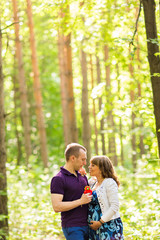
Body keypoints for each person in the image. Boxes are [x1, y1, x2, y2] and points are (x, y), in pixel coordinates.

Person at [50, 143, 92, 240]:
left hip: (89, 225)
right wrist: (80, 201)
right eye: (83, 159)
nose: (85, 163)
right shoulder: (58, 179)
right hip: (73, 227)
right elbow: (56, 206)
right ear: (73, 158)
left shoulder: (82, 176)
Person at [88, 155, 124, 240]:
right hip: (94, 228)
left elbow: (114, 206)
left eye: (93, 165)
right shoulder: (93, 183)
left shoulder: (109, 183)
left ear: (101, 168)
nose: (89, 167)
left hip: (108, 226)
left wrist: (100, 222)